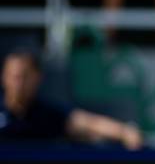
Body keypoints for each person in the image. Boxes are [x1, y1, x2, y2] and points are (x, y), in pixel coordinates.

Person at [0, 49, 142, 150]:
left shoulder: (48, 114)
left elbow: (90, 123)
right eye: (14, 76)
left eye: (25, 76)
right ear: (4, 77)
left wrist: (124, 132)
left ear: (37, 77)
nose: (19, 83)